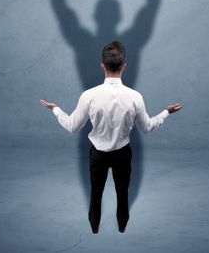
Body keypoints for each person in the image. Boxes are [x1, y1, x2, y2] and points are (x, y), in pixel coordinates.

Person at [40, 40, 182, 234]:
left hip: (97, 155)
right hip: (123, 154)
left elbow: (72, 126)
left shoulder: (89, 96)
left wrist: (55, 109)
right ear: (124, 66)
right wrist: (166, 112)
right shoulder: (135, 97)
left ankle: (94, 229)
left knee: (95, 193)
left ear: (102, 66)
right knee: (122, 193)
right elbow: (147, 127)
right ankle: (122, 227)